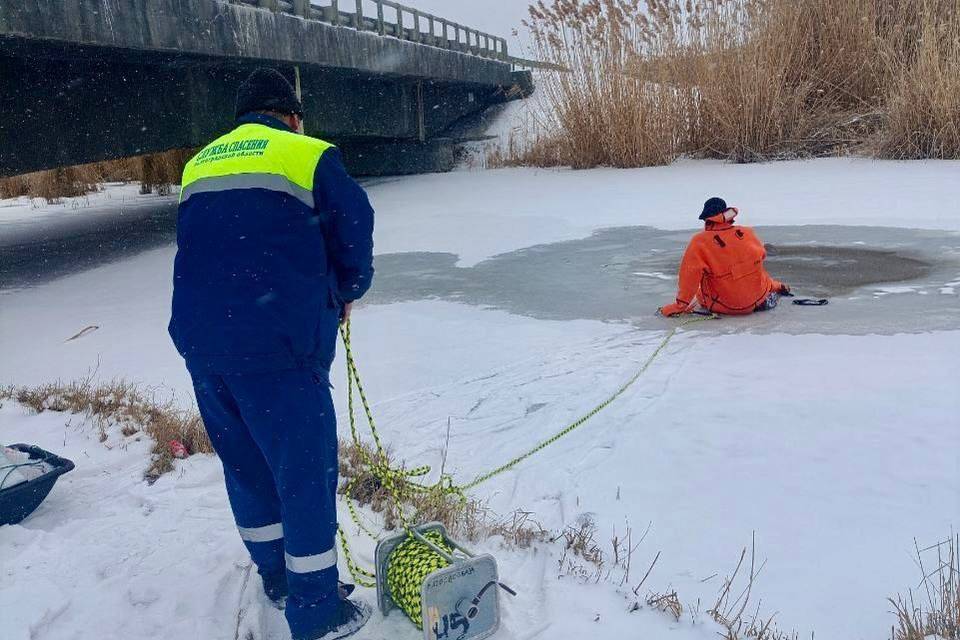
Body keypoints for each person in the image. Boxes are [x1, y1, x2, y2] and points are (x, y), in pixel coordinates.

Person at [168, 68, 374, 640]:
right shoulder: (307, 154)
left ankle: (277, 577)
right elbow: (354, 224)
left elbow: (211, 244)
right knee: (304, 475)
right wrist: (349, 288)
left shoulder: (199, 164)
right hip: (278, 348)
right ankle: (315, 612)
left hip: (204, 346)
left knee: (248, 466)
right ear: (291, 115)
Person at [659, 197, 789, 316]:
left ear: (707, 219)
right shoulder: (746, 232)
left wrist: (680, 306)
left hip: (724, 305)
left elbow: (689, 277)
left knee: (701, 294)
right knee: (752, 270)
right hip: (758, 299)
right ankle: (776, 288)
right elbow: (759, 262)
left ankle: (772, 288)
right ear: (727, 215)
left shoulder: (700, 242)